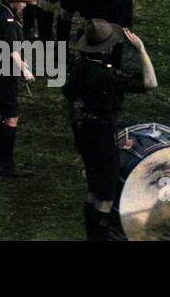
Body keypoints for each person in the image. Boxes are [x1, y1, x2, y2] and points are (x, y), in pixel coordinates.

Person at [63, 19, 157, 240]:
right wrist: (141, 49)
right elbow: (151, 83)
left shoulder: (79, 65)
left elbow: (67, 97)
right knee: (106, 194)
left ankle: (91, 234)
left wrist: (75, 127)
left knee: (93, 190)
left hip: (85, 128)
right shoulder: (108, 75)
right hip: (103, 133)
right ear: (105, 46)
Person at [0, 0, 37, 178]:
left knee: (1, 114)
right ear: (12, 1)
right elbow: (10, 49)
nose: (24, 5)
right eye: (22, 1)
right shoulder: (9, 20)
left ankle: (3, 161)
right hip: (7, 74)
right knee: (11, 117)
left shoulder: (1, 12)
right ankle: (7, 164)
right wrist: (25, 70)